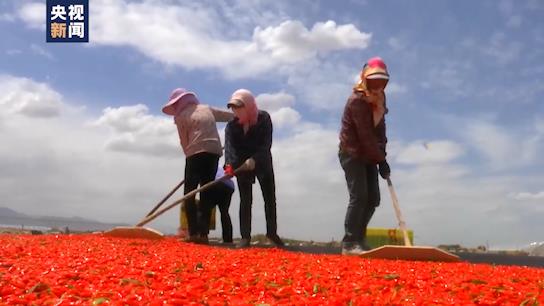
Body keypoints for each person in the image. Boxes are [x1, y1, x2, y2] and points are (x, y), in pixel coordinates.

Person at [162, 88, 233, 244]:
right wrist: (241, 115)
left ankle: (193, 233)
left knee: (190, 193)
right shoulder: (206, 108)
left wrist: (190, 159)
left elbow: (184, 141)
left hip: (195, 152)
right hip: (214, 152)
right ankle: (203, 234)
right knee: (206, 193)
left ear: (178, 103)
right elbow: (229, 116)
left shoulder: (180, 117)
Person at [338, 57, 392, 255]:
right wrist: (381, 159)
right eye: (374, 81)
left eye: (381, 81)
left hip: (370, 154)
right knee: (359, 196)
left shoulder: (380, 98)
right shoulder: (357, 100)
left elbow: (380, 130)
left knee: (373, 199)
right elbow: (365, 135)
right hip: (351, 152)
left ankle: (359, 238)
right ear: (364, 79)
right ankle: (349, 242)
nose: (377, 85)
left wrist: (382, 154)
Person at [224, 89, 284, 248]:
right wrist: (229, 165)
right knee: (245, 200)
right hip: (242, 164)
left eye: (239, 107)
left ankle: (272, 233)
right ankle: (245, 237)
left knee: (269, 199)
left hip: (262, 162)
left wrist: (255, 159)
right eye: (233, 108)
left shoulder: (264, 118)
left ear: (249, 105)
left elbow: (266, 145)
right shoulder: (231, 125)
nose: (236, 111)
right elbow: (230, 148)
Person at [199, 167, 235, 244]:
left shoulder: (202, 168)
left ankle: (203, 235)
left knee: (205, 210)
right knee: (224, 212)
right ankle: (228, 239)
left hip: (215, 183)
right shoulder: (216, 166)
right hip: (229, 186)